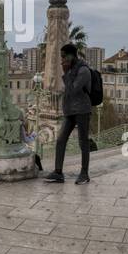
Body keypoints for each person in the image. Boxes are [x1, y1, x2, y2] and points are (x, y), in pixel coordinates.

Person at [47, 43, 93, 185]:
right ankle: (58, 171)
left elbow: (73, 90)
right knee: (61, 140)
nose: (62, 60)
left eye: (64, 56)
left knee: (83, 141)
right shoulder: (71, 69)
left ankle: (84, 173)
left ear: (72, 55)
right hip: (70, 111)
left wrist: (66, 73)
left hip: (82, 110)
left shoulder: (83, 70)